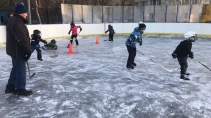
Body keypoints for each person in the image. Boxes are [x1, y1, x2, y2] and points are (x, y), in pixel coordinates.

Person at [5, 3, 33, 96]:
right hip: (18, 50)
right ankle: (21, 89)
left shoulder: (13, 20)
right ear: (21, 13)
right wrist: (27, 51)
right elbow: (21, 39)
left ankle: (10, 86)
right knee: (20, 69)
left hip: (14, 50)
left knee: (16, 67)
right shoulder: (17, 23)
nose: (27, 15)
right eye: (26, 13)